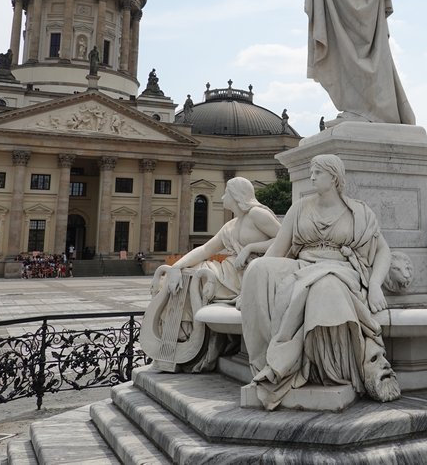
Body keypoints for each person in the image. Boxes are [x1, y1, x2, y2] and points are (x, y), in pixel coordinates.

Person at [241, 154, 400, 410]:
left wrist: (374, 287)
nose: (311, 177)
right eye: (311, 172)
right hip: (302, 266)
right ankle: (266, 362)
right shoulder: (300, 207)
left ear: (334, 177)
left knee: (325, 285)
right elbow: (277, 250)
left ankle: (323, 368)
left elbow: (383, 251)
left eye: (318, 173)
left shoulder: (358, 211)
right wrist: (249, 283)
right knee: (259, 268)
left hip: (341, 269)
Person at [140, 177, 280, 372]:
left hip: (249, 275)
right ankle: (179, 341)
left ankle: (184, 342)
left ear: (236, 195)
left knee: (194, 280)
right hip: (228, 273)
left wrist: (250, 248)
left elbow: (284, 239)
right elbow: (206, 249)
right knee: (185, 276)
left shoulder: (257, 215)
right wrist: (176, 267)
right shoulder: (231, 225)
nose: (222, 197)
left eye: (226, 193)